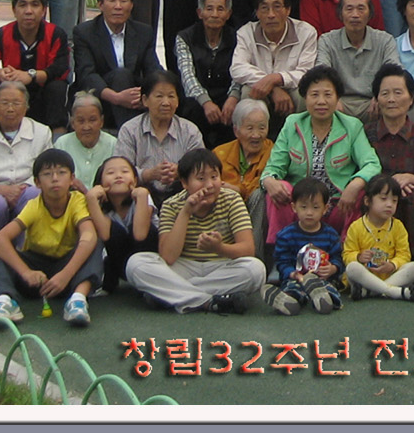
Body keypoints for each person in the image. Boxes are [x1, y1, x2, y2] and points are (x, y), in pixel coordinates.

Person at [122, 145, 266, 315]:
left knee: (256, 270)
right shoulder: (172, 205)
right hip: (183, 266)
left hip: (222, 266)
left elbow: (248, 249)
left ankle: (168, 294)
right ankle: (209, 302)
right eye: (201, 178)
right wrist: (186, 212)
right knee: (136, 264)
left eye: (214, 177)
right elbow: (168, 256)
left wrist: (219, 248)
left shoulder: (232, 199)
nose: (210, 185)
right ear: (184, 183)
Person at [260, 64, 382, 244]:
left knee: (360, 190)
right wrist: (269, 180)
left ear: (337, 98)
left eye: (328, 95)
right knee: (278, 189)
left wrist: (355, 184)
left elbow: (371, 163)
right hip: (300, 206)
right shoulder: (292, 124)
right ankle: (282, 248)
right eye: (314, 95)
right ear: (305, 98)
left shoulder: (352, 126)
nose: (321, 101)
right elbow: (273, 167)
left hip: (337, 204)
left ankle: (347, 251)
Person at [0, 147, 102, 328]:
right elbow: (0, 240)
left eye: (61, 173)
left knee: (95, 242)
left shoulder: (77, 200)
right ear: (37, 182)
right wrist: (26, 272)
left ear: (72, 179)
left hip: (68, 271)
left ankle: (78, 300)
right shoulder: (34, 205)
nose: (55, 179)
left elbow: (88, 235)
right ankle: (4, 301)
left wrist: (65, 275)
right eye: (47, 174)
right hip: (36, 275)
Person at [0, 80, 54, 269]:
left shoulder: (42, 133)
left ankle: (26, 255)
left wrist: (22, 189)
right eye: (4, 103)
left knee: (33, 196)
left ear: (26, 107)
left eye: (16, 103)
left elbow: (47, 171)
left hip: (27, 189)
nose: (10, 109)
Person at [70, 0, 161, 130]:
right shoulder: (84, 32)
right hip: (99, 96)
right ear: (100, 4)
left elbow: (152, 68)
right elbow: (86, 74)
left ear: (131, 5)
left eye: (123, 0)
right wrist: (116, 97)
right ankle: (129, 134)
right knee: (121, 75)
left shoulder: (143, 32)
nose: (118, 6)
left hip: (133, 99)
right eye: (112, 0)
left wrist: (145, 94)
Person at [0, 0, 71, 131]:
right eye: (22, 5)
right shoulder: (1, 34)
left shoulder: (56, 34)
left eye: (35, 5)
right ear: (14, 10)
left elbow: (60, 69)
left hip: (42, 91)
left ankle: (57, 136)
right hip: (12, 89)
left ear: (44, 10)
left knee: (58, 87)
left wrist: (31, 75)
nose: (28, 11)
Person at [361, 65, 414, 254]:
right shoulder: (365, 134)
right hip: (374, 190)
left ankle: (412, 258)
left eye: (398, 93)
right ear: (377, 99)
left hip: (411, 194)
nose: (391, 99)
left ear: (411, 98)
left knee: (411, 196)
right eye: (385, 94)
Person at [115, 68, 205, 202]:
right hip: (140, 199)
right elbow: (120, 171)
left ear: (178, 101)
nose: (166, 102)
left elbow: (201, 169)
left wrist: (181, 172)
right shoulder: (129, 130)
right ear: (145, 100)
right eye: (159, 96)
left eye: (171, 96)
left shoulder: (190, 131)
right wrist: (148, 174)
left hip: (183, 198)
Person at [229, 0, 319, 118]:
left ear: (288, 10)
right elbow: (237, 68)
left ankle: (299, 131)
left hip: (292, 87)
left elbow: (306, 72)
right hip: (261, 87)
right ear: (257, 12)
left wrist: (277, 78)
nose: (271, 15)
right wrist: (271, 85)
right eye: (264, 8)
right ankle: (255, 132)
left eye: (277, 7)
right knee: (249, 92)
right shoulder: (246, 32)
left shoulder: (306, 32)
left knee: (304, 94)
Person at [265, 176, 345, 317]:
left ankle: (324, 299)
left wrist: (333, 268)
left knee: (330, 289)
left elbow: (338, 258)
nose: (309, 212)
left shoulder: (330, 234)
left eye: (315, 207)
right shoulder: (286, 235)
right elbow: (282, 261)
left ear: (325, 209)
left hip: (322, 280)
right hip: (296, 278)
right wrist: (292, 273)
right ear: (294, 207)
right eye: (303, 207)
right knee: (292, 288)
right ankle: (287, 302)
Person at [317, 0, 399, 117]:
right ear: (340, 13)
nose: (355, 15)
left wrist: (382, 95)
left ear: (370, 13)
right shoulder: (327, 41)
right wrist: (331, 97)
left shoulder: (385, 40)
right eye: (349, 9)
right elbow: (321, 73)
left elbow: (394, 72)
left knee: (409, 96)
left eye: (361, 9)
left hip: (373, 103)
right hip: (339, 102)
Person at [341, 173, 414, 301]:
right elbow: (347, 254)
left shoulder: (398, 226)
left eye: (394, 201)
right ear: (367, 201)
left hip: (389, 275)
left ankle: (370, 292)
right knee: (352, 268)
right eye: (383, 199)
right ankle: (396, 292)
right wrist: (358, 257)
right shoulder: (356, 226)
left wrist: (393, 265)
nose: (389, 204)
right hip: (364, 275)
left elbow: (404, 255)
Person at [174, 0, 238, 138]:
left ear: (228, 14)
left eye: (220, 9)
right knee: (193, 109)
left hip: (226, 96)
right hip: (196, 99)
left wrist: (233, 97)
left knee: (238, 110)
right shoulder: (184, 37)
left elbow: (240, 72)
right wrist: (205, 102)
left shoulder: (237, 37)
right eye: (209, 9)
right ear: (200, 13)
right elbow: (187, 75)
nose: (215, 14)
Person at [82, 153, 150, 293]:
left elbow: (140, 235)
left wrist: (142, 197)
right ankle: (108, 286)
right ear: (100, 183)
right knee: (115, 231)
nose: (118, 176)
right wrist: (91, 199)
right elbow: (106, 235)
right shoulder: (98, 206)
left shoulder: (143, 196)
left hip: (147, 259)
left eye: (125, 171)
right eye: (110, 173)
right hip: (119, 262)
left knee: (140, 229)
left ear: (135, 180)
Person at [212, 97, 273, 246]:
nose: (256, 135)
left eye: (262, 128)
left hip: (256, 211)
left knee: (260, 194)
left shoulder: (273, 152)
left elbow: (262, 183)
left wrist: (239, 190)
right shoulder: (220, 153)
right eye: (250, 128)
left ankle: (253, 253)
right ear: (236, 130)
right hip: (225, 211)